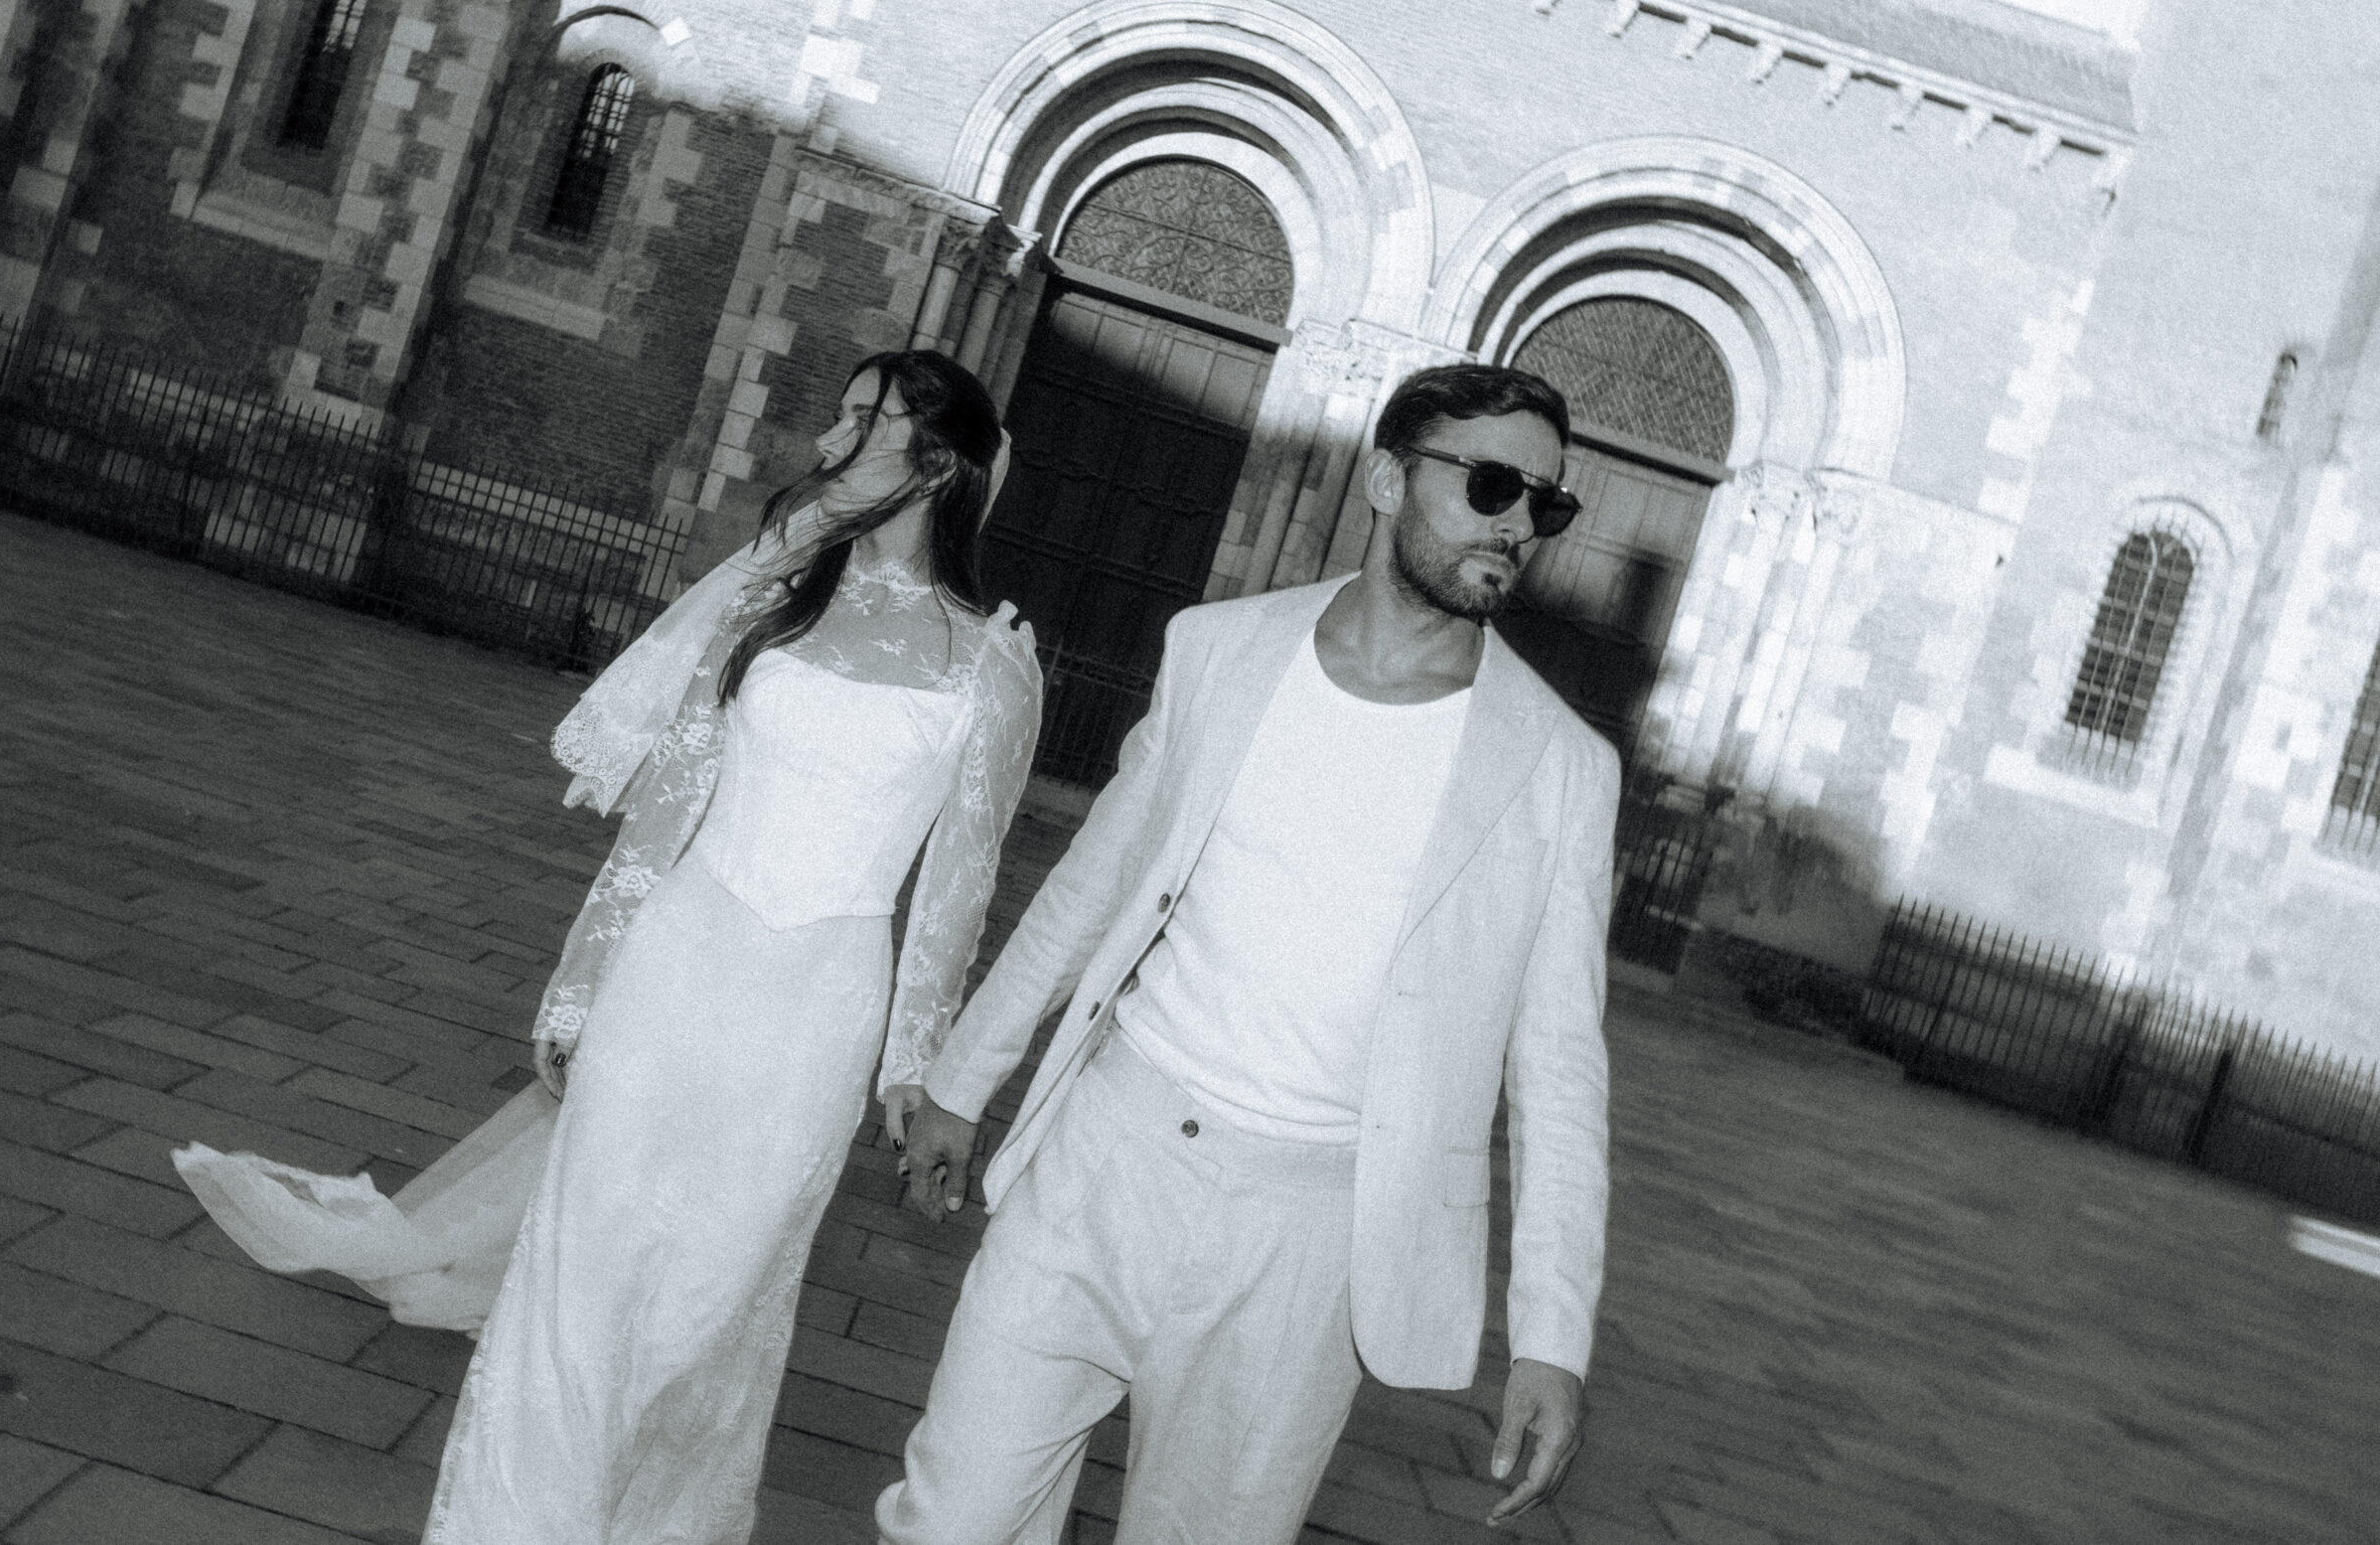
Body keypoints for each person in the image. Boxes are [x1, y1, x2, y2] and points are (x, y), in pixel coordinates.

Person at [172, 351, 1042, 1545]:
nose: (829, 440)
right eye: (837, 415)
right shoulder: (770, 600)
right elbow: (665, 813)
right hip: (675, 963)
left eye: (863, 421)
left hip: (816, 1010)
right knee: (587, 1258)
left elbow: (957, 886)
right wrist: (578, 985)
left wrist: (912, 1065)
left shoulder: (992, 667)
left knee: (712, 1291)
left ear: (936, 463)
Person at [875, 362, 1618, 1545]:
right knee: (948, 1518)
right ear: (1388, 479)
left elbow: (1562, 1072)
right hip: (1107, 1155)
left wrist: (1552, 1338)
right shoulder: (1220, 649)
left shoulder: (1559, 766)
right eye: (1490, 485)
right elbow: (1094, 884)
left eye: (1547, 502)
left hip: (1309, 1238)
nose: (1518, 524)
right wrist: (964, 1080)